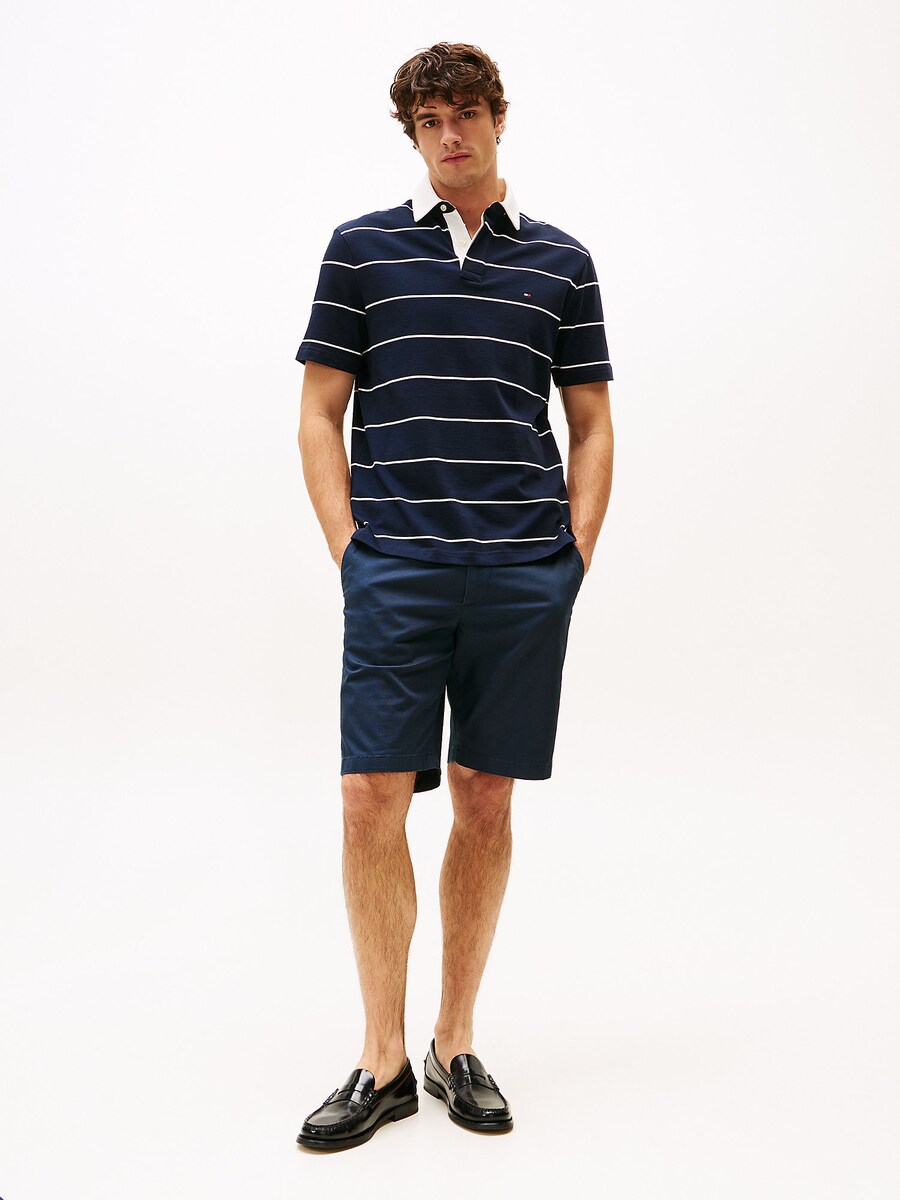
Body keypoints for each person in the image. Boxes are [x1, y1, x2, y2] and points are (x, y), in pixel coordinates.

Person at [294, 41, 614, 1151]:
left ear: (497, 119)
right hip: (395, 567)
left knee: (485, 798)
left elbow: (591, 423)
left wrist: (569, 558)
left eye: (466, 113)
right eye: (429, 120)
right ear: (412, 133)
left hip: (521, 574)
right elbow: (319, 411)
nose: (449, 135)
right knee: (368, 798)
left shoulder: (562, 261)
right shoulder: (361, 249)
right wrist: (352, 550)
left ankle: (454, 1040)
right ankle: (381, 1059)